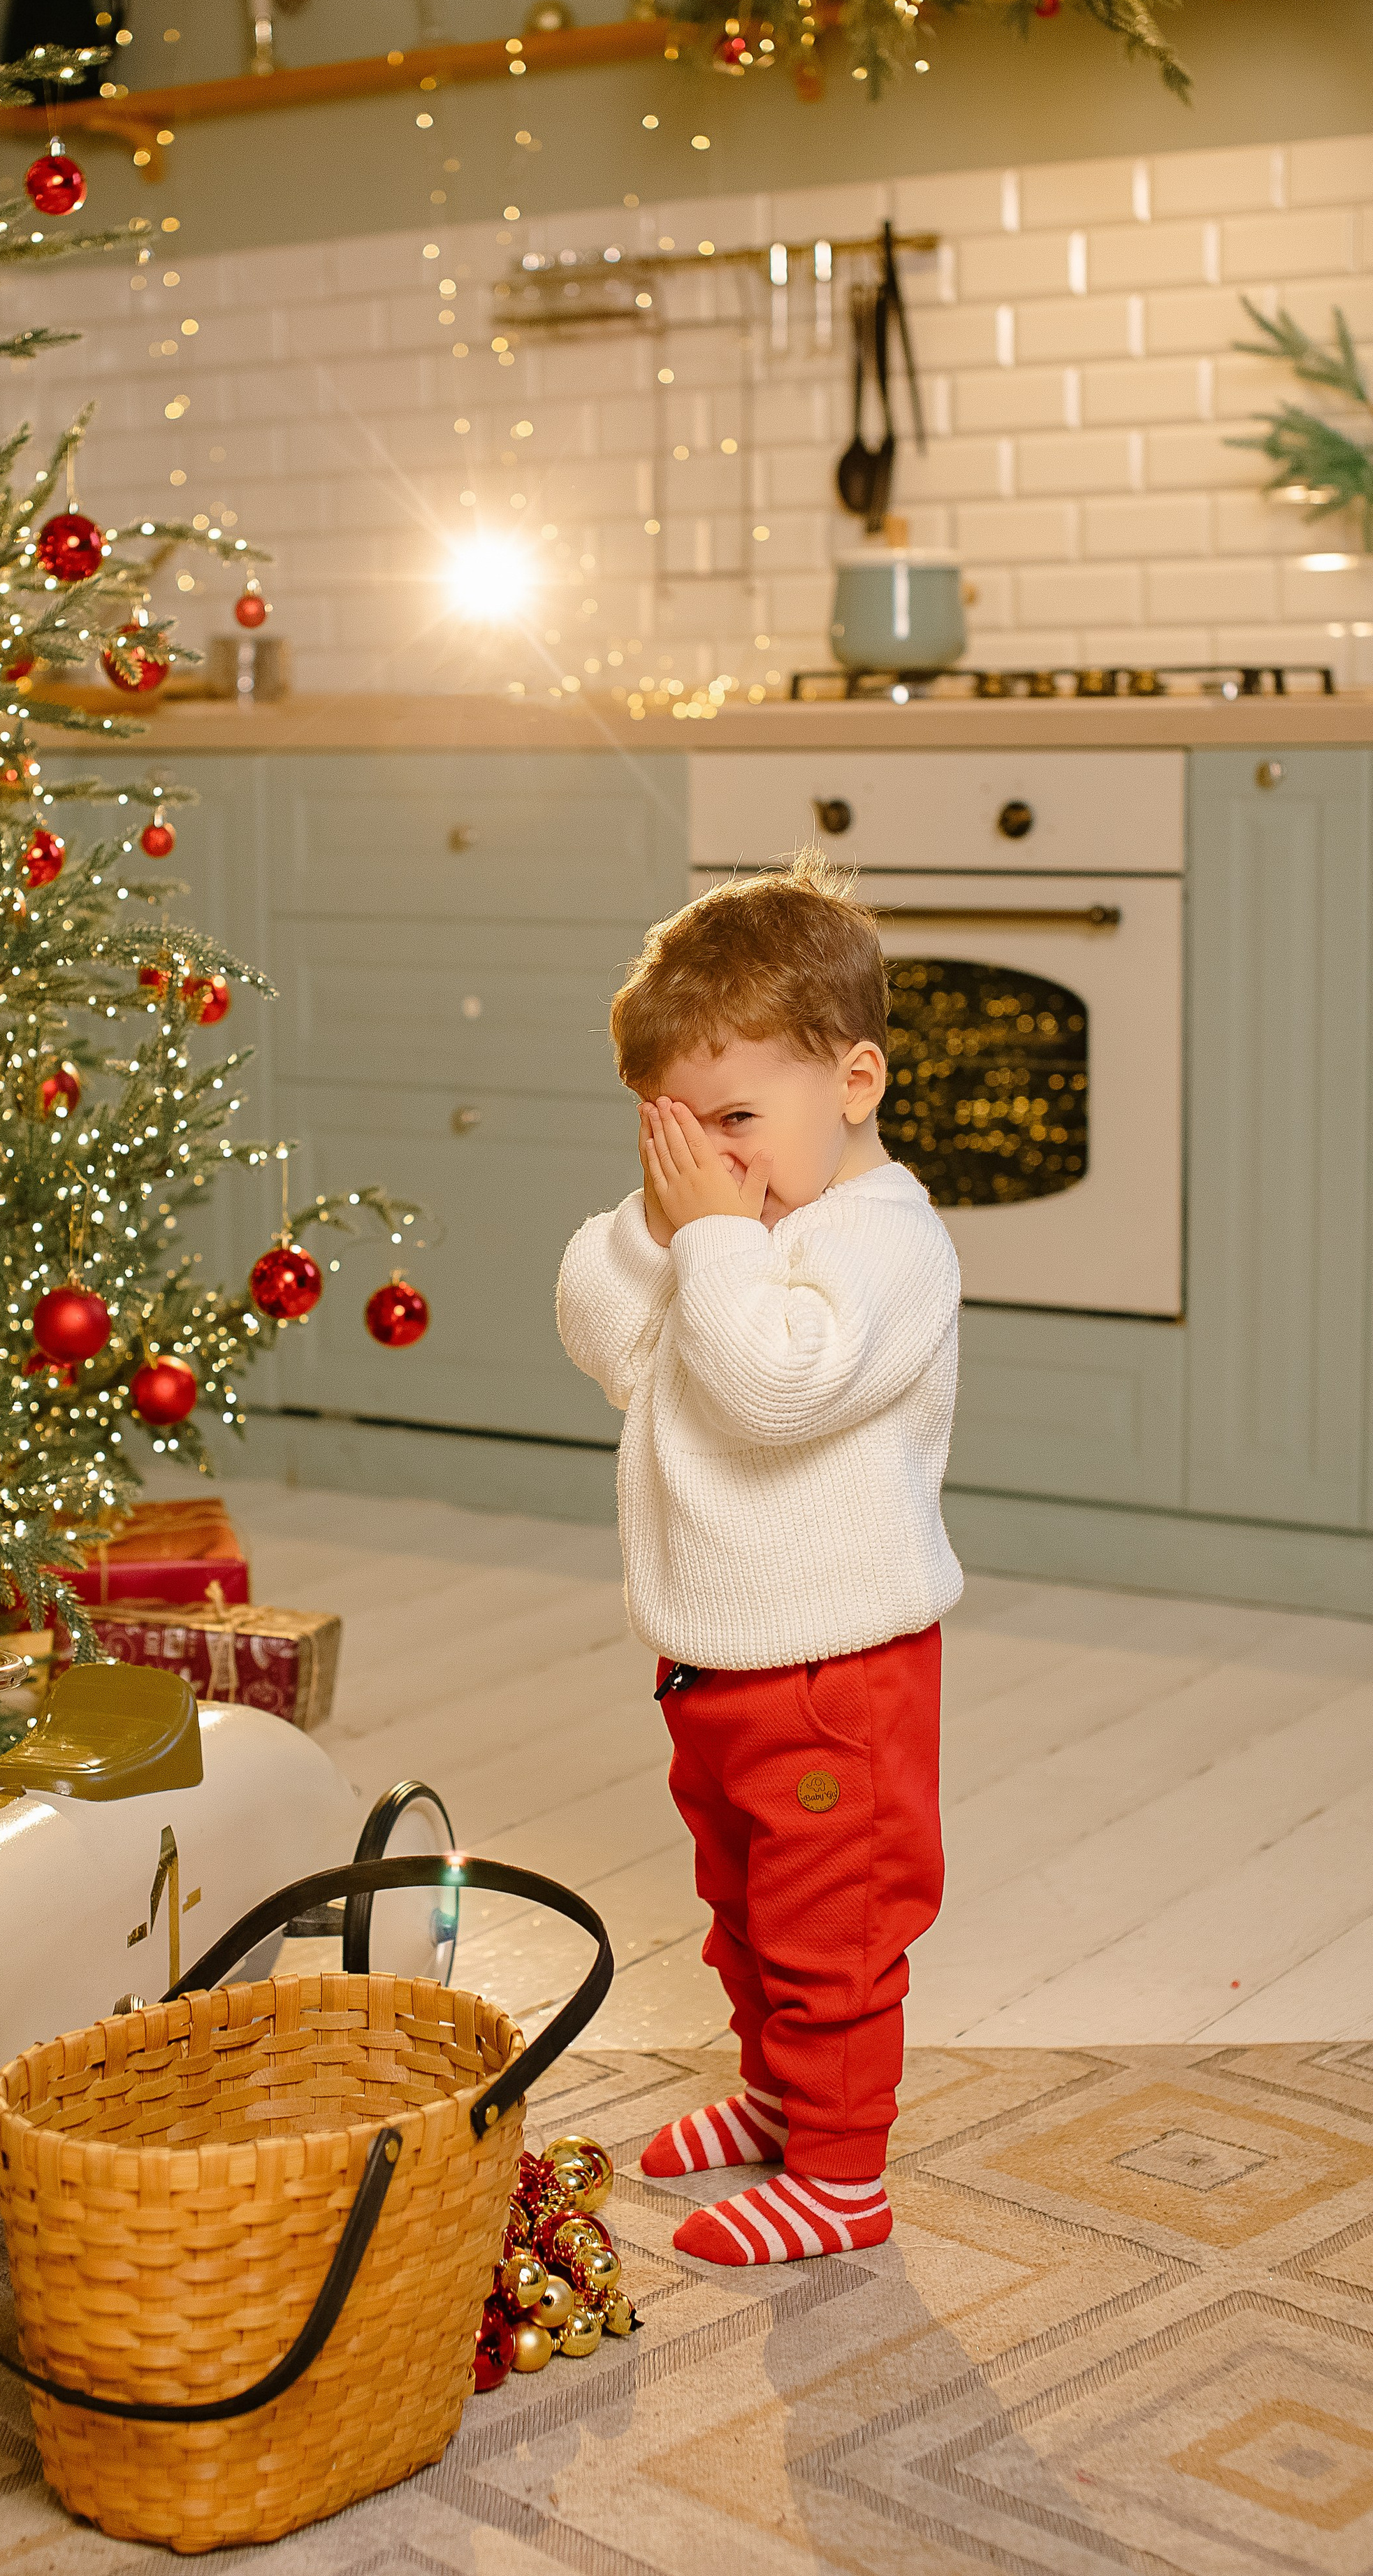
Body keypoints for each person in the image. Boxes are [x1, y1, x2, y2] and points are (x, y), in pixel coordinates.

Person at [556, 853, 961, 2268]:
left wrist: (717, 1238)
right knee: (742, 1913)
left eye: (735, 1120)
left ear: (852, 1082)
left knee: (828, 1928)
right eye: (673, 1131)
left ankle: (841, 2177)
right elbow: (612, 1341)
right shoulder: (724, 1228)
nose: (710, 1161)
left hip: (836, 1674)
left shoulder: (885, 1244)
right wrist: (659, 1224)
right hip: (716, 1664)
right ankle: (783, 2098)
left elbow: (772, 1387)